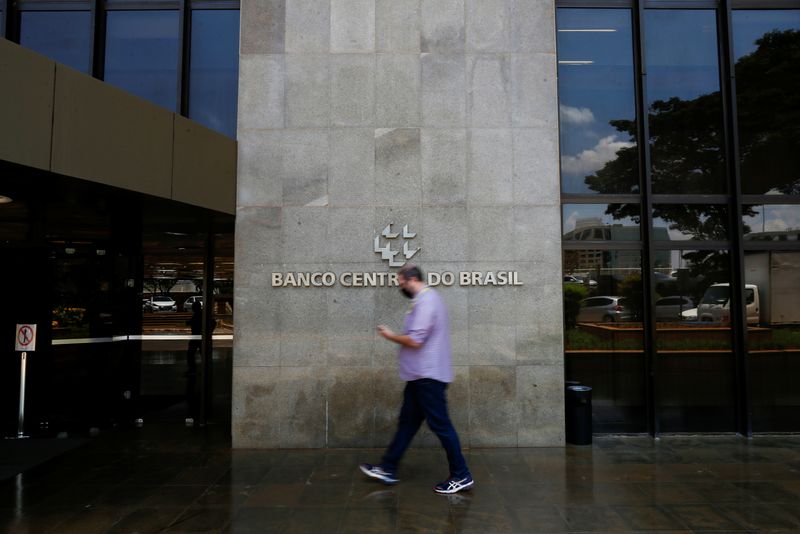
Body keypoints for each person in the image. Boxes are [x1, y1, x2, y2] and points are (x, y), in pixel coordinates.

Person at [359, 265, 474, 494]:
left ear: (411, 279)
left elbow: (415, 340)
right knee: (408, 423)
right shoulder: (428, 299)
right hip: (420, 376)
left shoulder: (426, 301)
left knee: (441, 426)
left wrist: (390, 336)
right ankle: (388, 468)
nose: (400, 287)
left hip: (427, 376)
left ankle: (461, 475)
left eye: (401, 283)